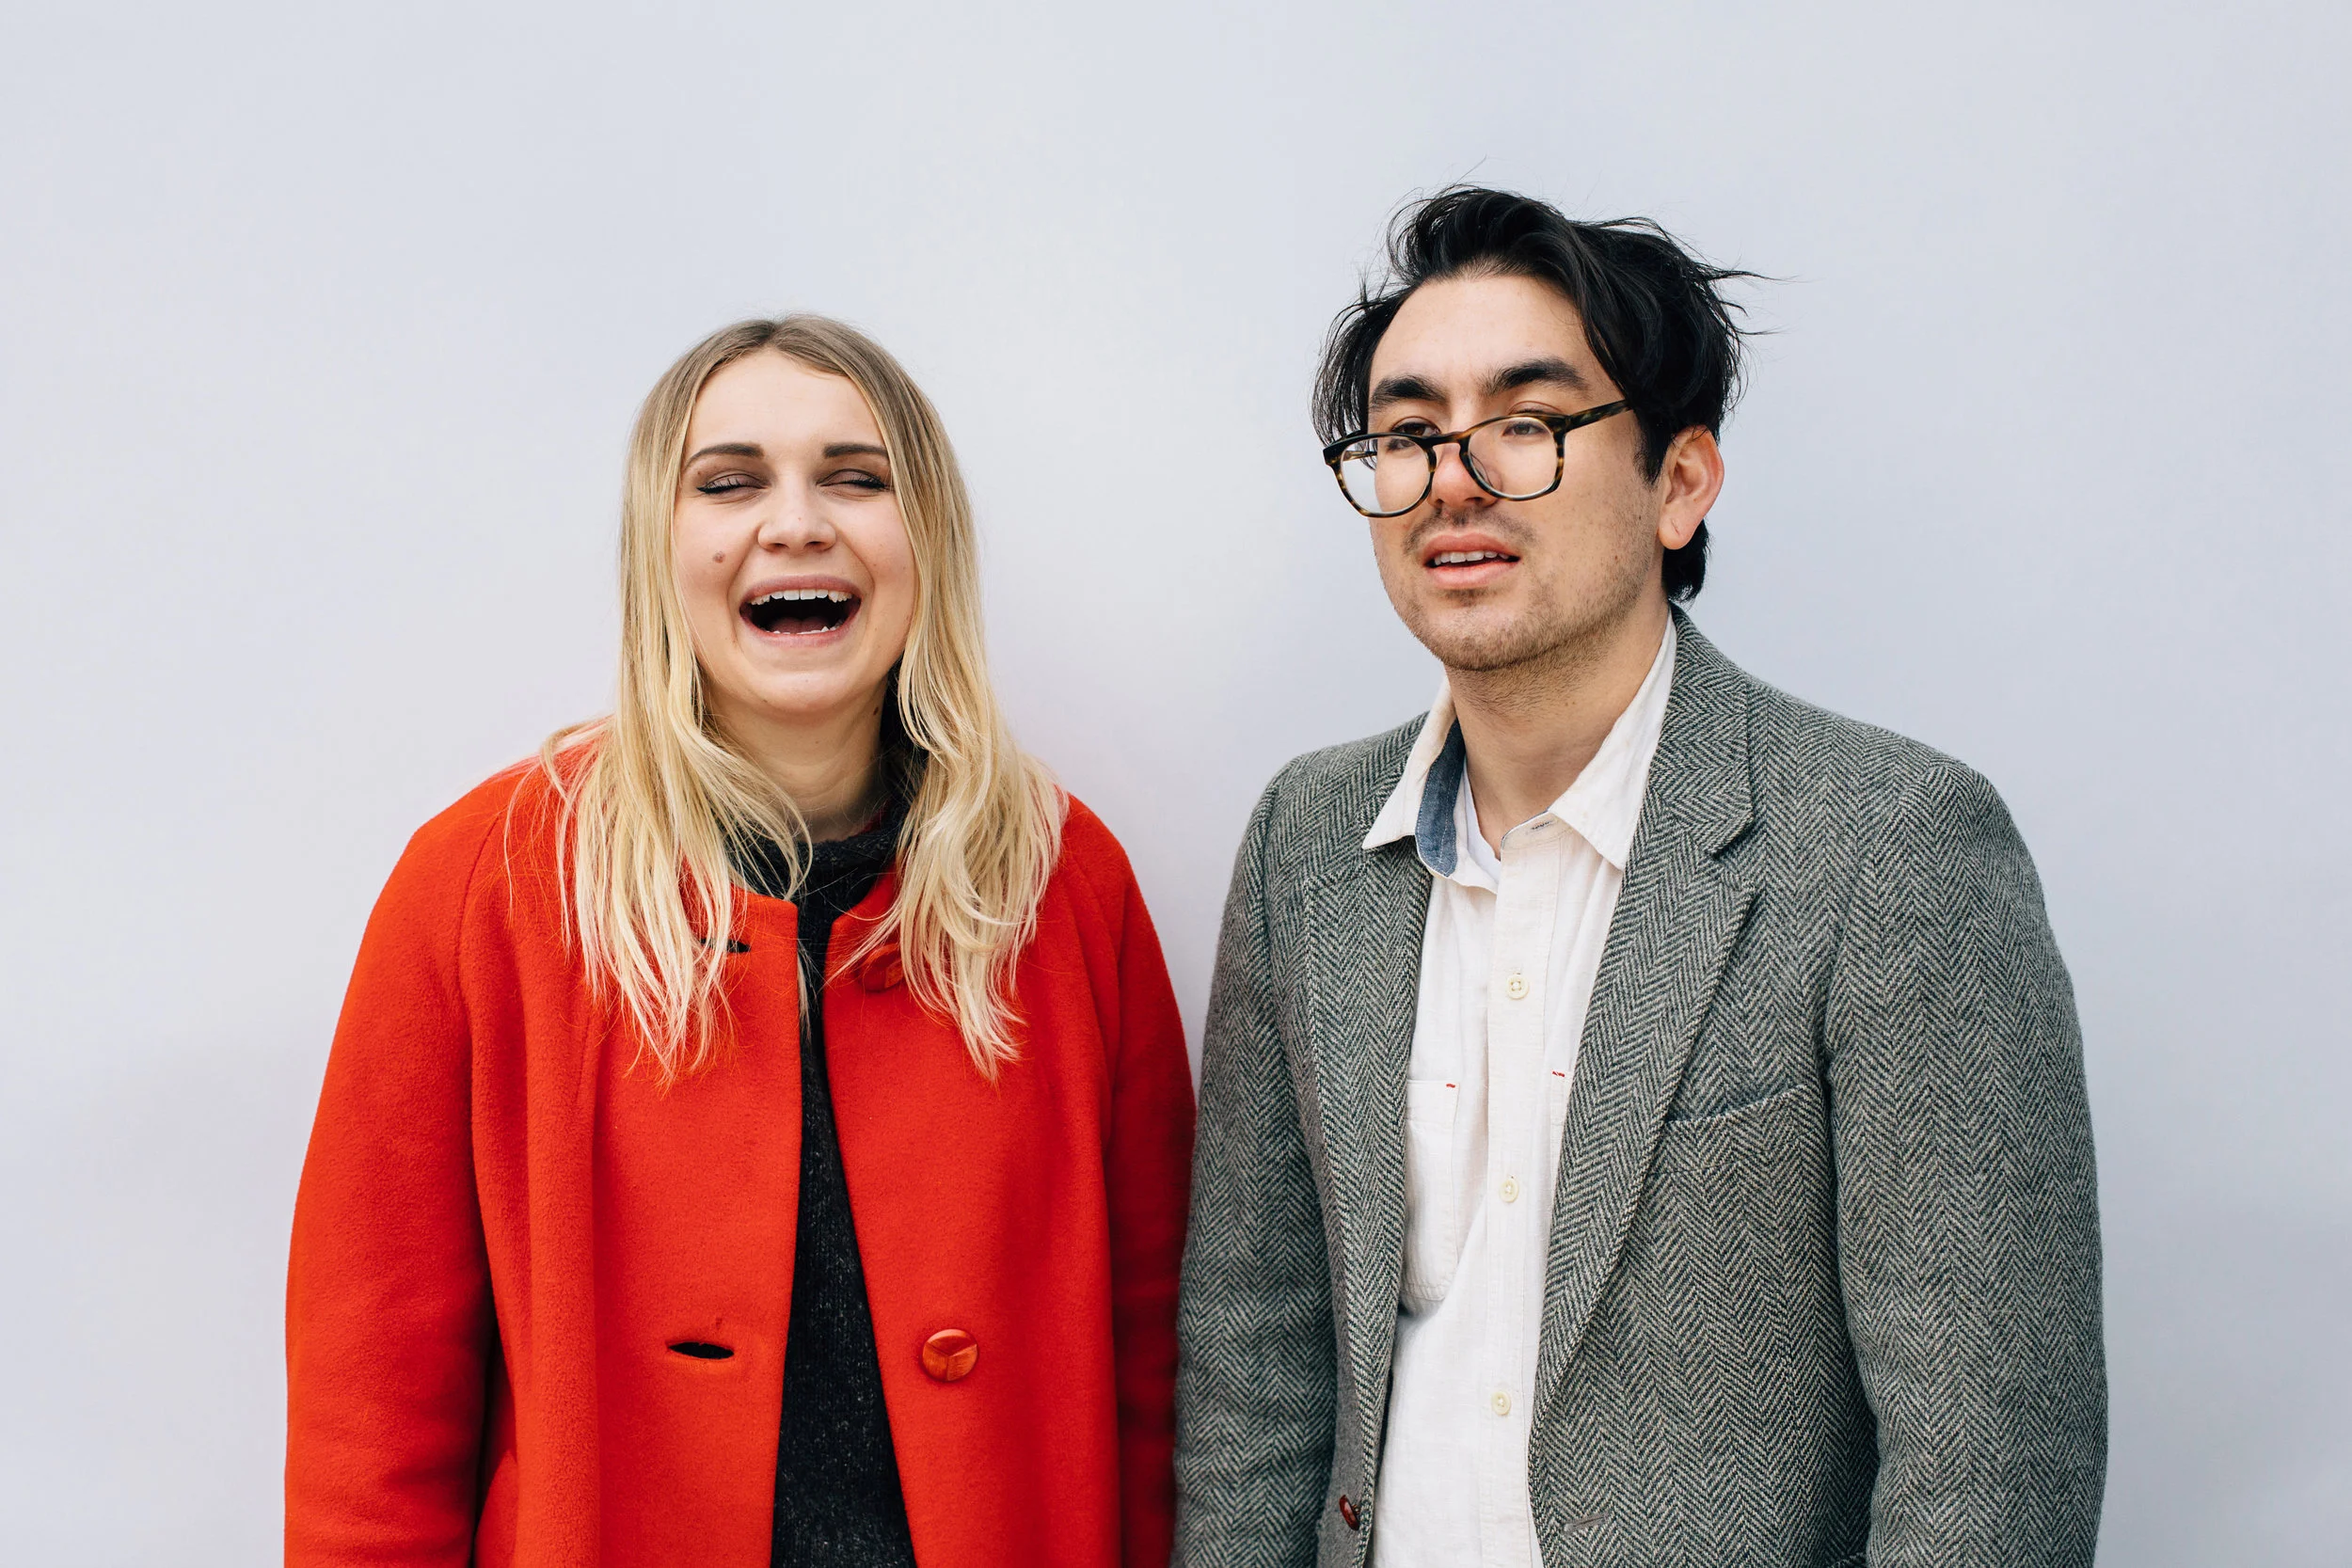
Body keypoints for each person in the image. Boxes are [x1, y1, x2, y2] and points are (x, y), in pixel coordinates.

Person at [1174, 188, 2105, 1567]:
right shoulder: (1308, 839)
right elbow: (1254, 1361)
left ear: (1680, 481)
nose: (1453, 478)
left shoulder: (1892, 847)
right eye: (1409, 432)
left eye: (1527, 424)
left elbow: (1990, 1459)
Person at [286, 316, 1196, 1568]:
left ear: (926, 540)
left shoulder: (1063, 883)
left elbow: (1160, 1369)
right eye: (729, 481)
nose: (796, 522)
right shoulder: (482, 888)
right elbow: (368, 1418)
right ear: (659, 552)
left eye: (857, 477)